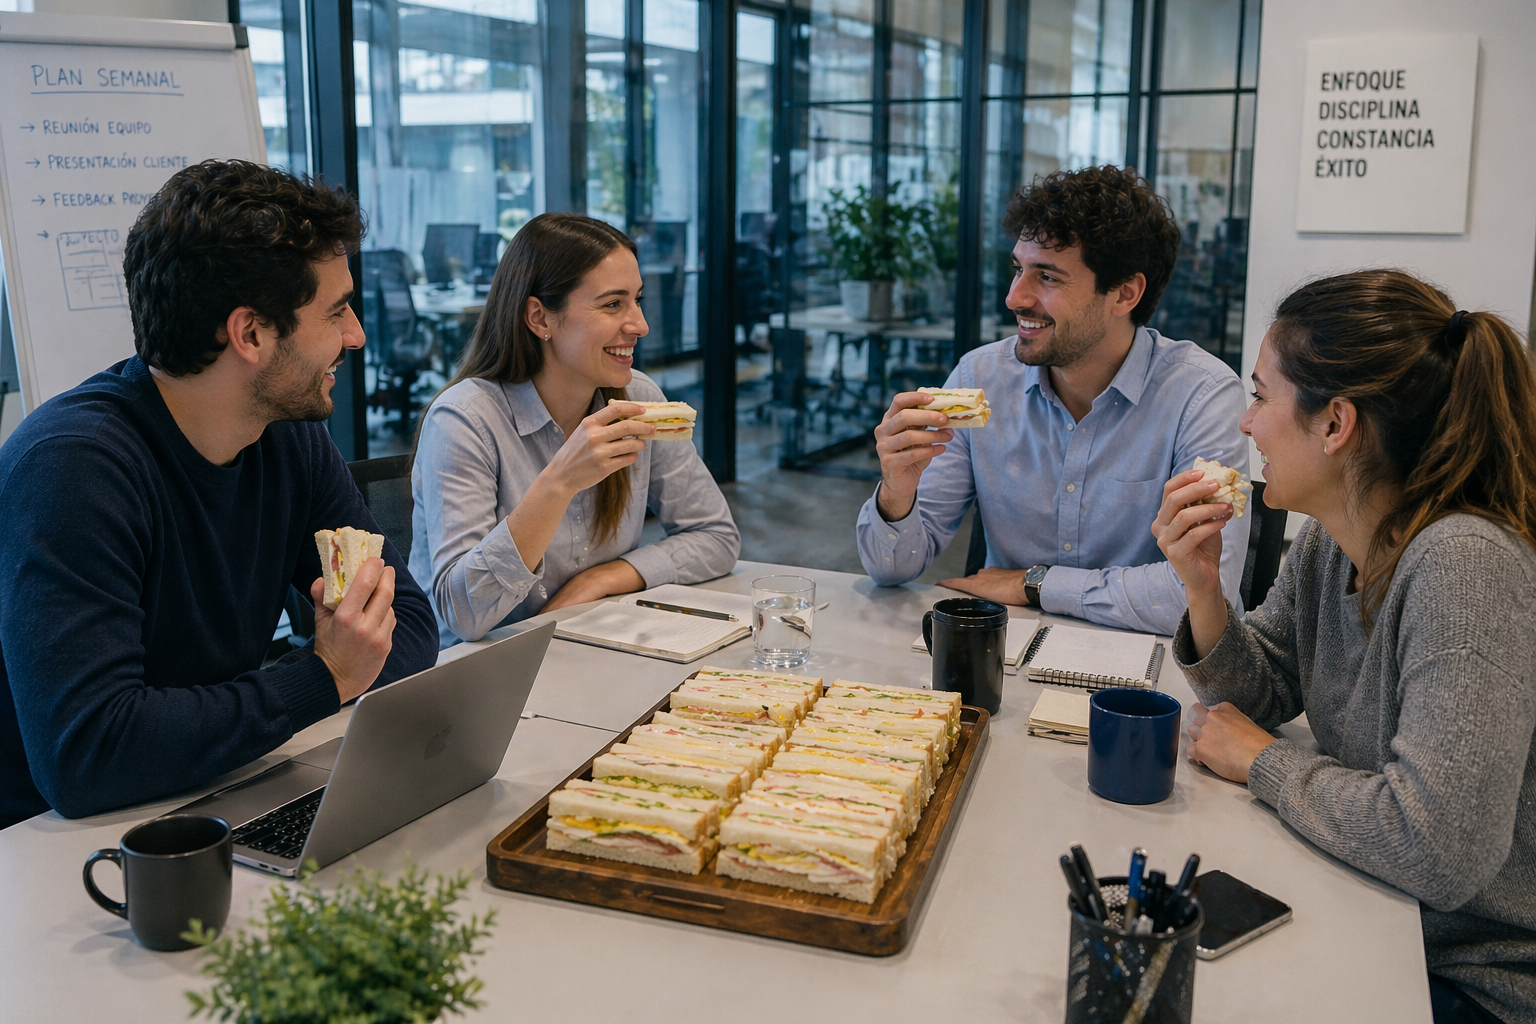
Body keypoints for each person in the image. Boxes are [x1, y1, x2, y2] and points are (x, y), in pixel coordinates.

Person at [0, 160, 439, 831]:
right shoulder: (73, 468)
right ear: (250, 334)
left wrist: (331, 672)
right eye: (336, 311)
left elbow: (406, 623)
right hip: (57, 847)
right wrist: (324, 675)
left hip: (211, 790)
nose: (355, 335)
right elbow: (87, 753)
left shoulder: (285, 436)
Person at [1153, 270, 1536, 1024]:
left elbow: (1440, 847)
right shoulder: (1333, 541)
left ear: (1335, 424)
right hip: (1372, 907)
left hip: (1468, 976)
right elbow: (1259, 694)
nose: (1246, 425)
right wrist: (1202, 590)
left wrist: (1264, 762)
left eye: (1261, 396)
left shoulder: (1466, 566)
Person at [856, 165, 1249, 635]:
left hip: (1145, 661)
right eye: (1018, 269)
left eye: (1047, 277)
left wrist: (1035, 584)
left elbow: (1200, 597)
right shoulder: (981, 376)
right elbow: (891, 570)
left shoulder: (1200, 395)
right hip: (1005, 650)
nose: (1014, 297)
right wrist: (897, 493)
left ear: (1125, 293)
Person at [410, 212, 740, 645]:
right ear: (540, 318)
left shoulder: (637, 396)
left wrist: (600, 580)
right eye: (613, 304)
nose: (640, 325)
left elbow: (716, 537)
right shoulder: (464, 419)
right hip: (481, 667)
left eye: (637, 300)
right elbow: (464, 615)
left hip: (586, 644)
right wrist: (560, 482)